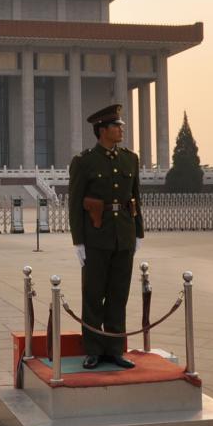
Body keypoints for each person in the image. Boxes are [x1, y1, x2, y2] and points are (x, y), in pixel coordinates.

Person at [68, 103, 144, 369]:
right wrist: (78, 241)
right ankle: (93, 349)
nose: (121, 129)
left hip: (123, 234)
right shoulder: (84, 161)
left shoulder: (129, 159)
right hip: (96, 236)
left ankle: (115, 348)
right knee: (93, 294)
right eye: (116, 126)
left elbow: (135, 197)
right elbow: (75, 203)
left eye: (120, 125)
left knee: (118, 294)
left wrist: (138, 232)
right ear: (102, 130)